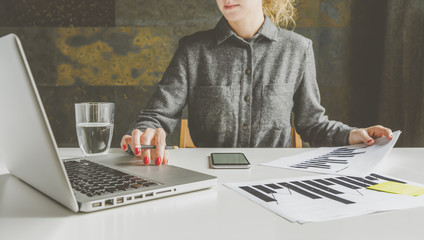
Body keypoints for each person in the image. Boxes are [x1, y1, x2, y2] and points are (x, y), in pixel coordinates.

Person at [120, 0, 393, 165]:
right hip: (212, 178)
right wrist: (145, 133)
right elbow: (157, 116)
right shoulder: (193, 50)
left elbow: (312, 125)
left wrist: (351, 134)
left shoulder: (298, 49)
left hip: (276, 180)